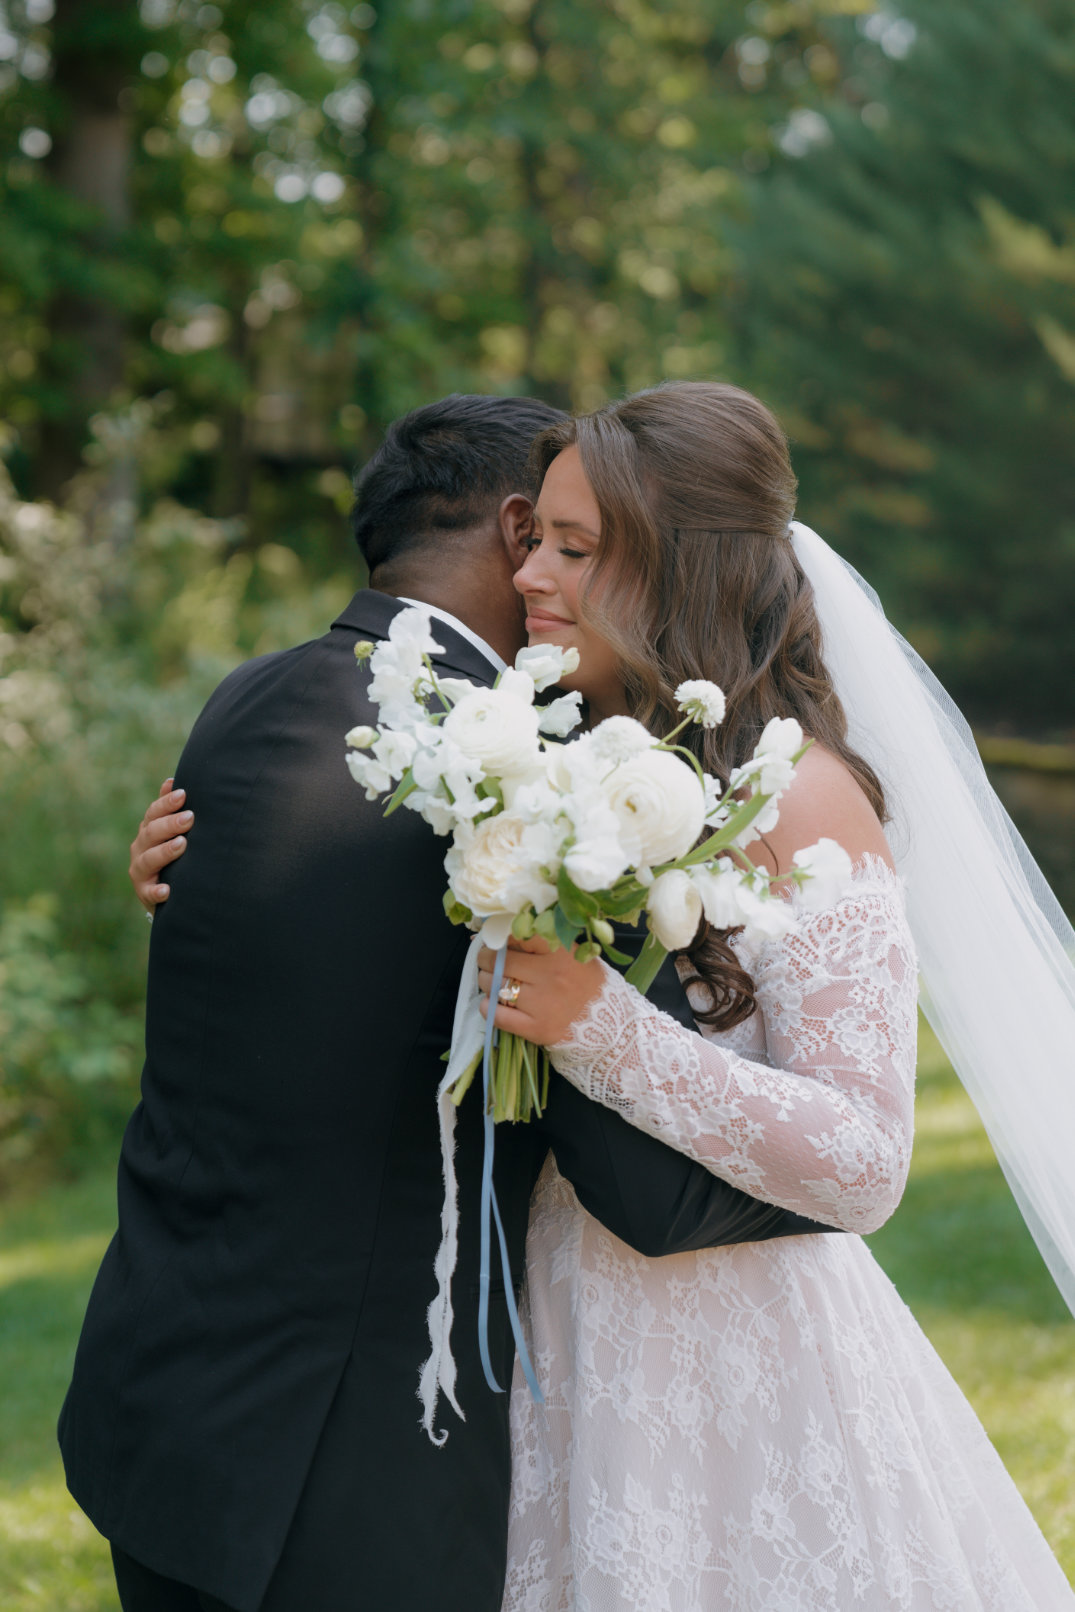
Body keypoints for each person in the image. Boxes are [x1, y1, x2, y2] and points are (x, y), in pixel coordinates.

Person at [64, 394, 834, 1612]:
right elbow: (650, 1190)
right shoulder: (519, 780)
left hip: (156, 1408)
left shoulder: (249, 705)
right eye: (574, 539)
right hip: (349, 1467)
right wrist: (828, 1174)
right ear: (519, 525)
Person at [466, 381, 1075, 1609]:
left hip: (744, 1359)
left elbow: (866, 1159)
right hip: (567, 1323)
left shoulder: (798, 801)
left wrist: (604, 1030)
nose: (531, 572)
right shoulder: (555, 759)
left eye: (576, 550)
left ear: (681, 573)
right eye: (537, 540)